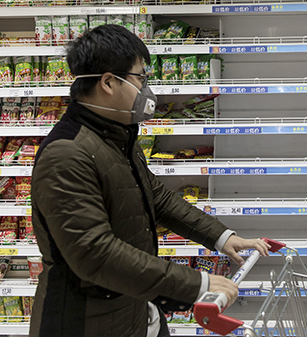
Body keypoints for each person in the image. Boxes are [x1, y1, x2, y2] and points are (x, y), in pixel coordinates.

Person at [30, 24, 270, 337]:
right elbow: (94, 253)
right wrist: (197, 283)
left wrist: (222, 237)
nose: (146, 88)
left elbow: (154, 195)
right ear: (108, 82)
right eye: (140, 78)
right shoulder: (67, 153)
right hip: (85, 319)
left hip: (131, 304)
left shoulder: (115, 136)